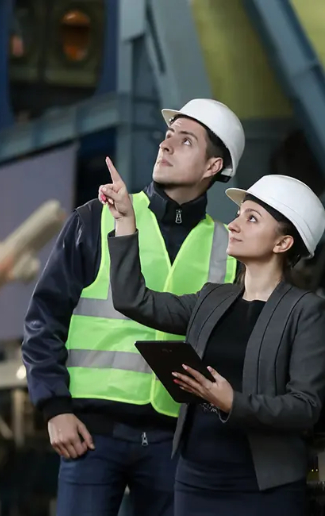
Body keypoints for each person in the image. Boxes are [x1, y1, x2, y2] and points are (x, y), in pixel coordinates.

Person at [22, 98, 243, 516]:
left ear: (213, 167)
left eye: (186, 141)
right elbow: (43, 320)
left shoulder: (228, 249)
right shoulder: (96, 218)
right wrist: (55, 408)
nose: (166, 146)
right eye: (167, 136)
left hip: (174, 444)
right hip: (90, 434)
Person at [101, 169, 325, 514]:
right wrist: (126, 222)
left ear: (283, 243)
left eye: (251, 218)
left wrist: (232, 402)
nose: (233, 225)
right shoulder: (212, 298)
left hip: (263, 488)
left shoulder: (305, 311)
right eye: (238, 215)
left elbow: (305, 406)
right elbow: (133, 299)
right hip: (194, 479)